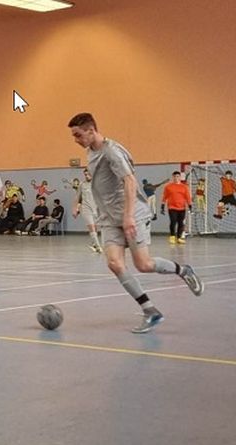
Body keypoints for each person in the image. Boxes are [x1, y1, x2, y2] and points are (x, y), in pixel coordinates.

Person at [68, 113, 203, 333]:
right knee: (114, 263)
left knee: (144, 264)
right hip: (110, 218)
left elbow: (130, 181)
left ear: (91, 130)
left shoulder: (112, 152)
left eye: (78, 135)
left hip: (132, 214)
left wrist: (129, 215)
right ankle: (150, 311)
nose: (76, 139)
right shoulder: (90, 151)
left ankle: (183, 270)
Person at [73, 168, 103, 252]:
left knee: (95, 227)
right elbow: (77, 198)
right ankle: (98, 247)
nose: (87, 176)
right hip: (86, 209)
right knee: (91, 227)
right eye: (85, 174)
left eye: (88, 174)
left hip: (96, 208)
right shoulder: (82, 185)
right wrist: (75, 209)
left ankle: (94, 243)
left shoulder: (97, 184)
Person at [162, 171, 192, 244]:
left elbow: (187, 197)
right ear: (173, 177)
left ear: (180, 177)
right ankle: (172, 236)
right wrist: (162, 206)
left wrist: (190, 205)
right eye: (175, 176)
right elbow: (164, 197)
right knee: (173, 221)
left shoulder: (184, 187)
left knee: (180, 223)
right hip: (172, 207)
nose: (176, 178)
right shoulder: (168, 186)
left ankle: (179, 237)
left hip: (182, 208)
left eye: (178, 176)